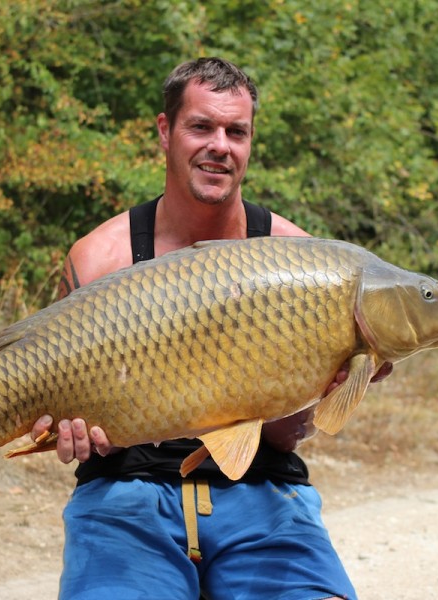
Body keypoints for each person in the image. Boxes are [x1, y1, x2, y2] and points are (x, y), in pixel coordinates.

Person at [30, 57, 392, 600]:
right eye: (201, 126)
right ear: (164, 131)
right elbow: (62, 421)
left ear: (249, 142)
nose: (219, 145)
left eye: (236, 131)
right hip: (126, 496)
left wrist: (325, 388)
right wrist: (64, 432)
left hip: (262, 495)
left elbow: (286, 434)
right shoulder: (100, 259)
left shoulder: (301, 260)